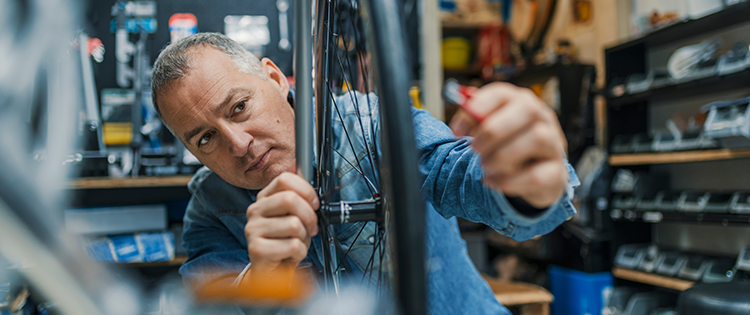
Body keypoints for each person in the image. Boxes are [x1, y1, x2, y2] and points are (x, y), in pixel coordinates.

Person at [151, 33, 578, 314]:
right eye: (205, 139)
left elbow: (459, 173)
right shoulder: (210, 210)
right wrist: (261, 278)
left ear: (276, 78)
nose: (238, 144)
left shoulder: (375, 126)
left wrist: (527, 180)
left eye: (239, 107)